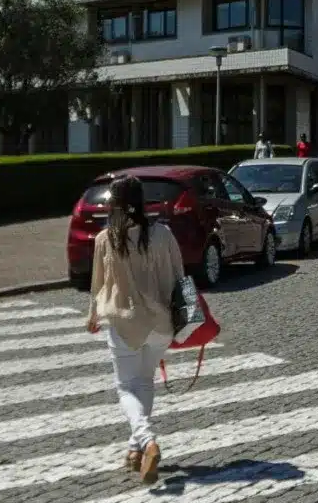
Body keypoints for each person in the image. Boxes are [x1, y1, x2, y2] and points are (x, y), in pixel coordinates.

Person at [85, 175, 185, 486]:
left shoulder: (106, 239)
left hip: (124, 323)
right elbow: (181, 276)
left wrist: (92, 316)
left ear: (113, 205)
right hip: (161, 322)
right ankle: (135, 450)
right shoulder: (163, 234)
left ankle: (147, 441)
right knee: (144, 382)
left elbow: (97, 285)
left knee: (126, 387)